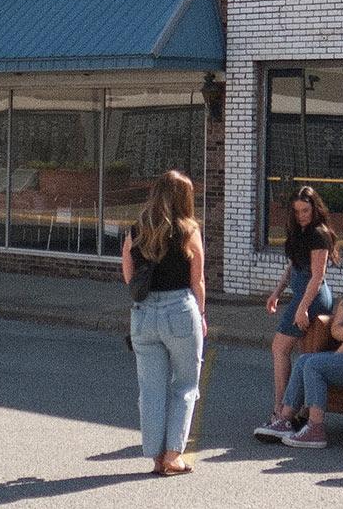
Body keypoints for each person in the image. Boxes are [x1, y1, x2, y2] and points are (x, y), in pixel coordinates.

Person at [260, 243, 343, 448]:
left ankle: (315, 428)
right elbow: (335, 329)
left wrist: (335, 358)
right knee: (305, 360)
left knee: (314, 364)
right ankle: (285, 419)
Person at [120, 170, 206, 476]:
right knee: (184, 385)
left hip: (143, 313)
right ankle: (173, 455)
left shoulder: (137, 228)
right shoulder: (189, 230)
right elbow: (197, 281)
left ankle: (156, 457)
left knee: (151, 389)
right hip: (180, 309)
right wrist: (202, 315)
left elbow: (129, 275)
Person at [259, 186, 338, 432]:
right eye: (297, 211)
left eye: (306, 210)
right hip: (301, 294)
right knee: (305, 354)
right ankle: (300, 412)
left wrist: (302, 308)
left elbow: (317, 276)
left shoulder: (319, 234)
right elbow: (292, 266)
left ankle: (281, 410)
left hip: (312, 297)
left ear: (315, 208)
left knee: (279, 347)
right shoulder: (299, 232)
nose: (302, 215)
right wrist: (276, 292)